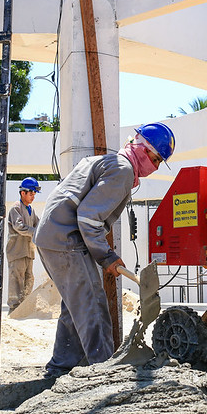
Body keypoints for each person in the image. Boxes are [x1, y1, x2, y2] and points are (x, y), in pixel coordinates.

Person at [33, 122, 175, 376]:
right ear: (142, 148)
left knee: (76, 306)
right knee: (93, 305)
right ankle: (103, 373)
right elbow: (88, 218)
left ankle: (61, 368)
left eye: (158, 162)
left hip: (51, 235)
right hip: (66, 239)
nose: (153, 167)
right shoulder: (122, 170)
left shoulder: (103, 162)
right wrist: (106, 256)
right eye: (154, 159)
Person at [6, 177, 41, 314]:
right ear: (23, 193)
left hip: (28, 252)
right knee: (17, 279)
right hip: (17, 251)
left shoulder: (30, 210)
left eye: (34, 194)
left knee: (28, 279)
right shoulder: (16, 208)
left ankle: (23, 308)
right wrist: (35, 232)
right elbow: (19, 227)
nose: (33, 196)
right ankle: (14, 308)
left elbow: (38, 224)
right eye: (31, 193)